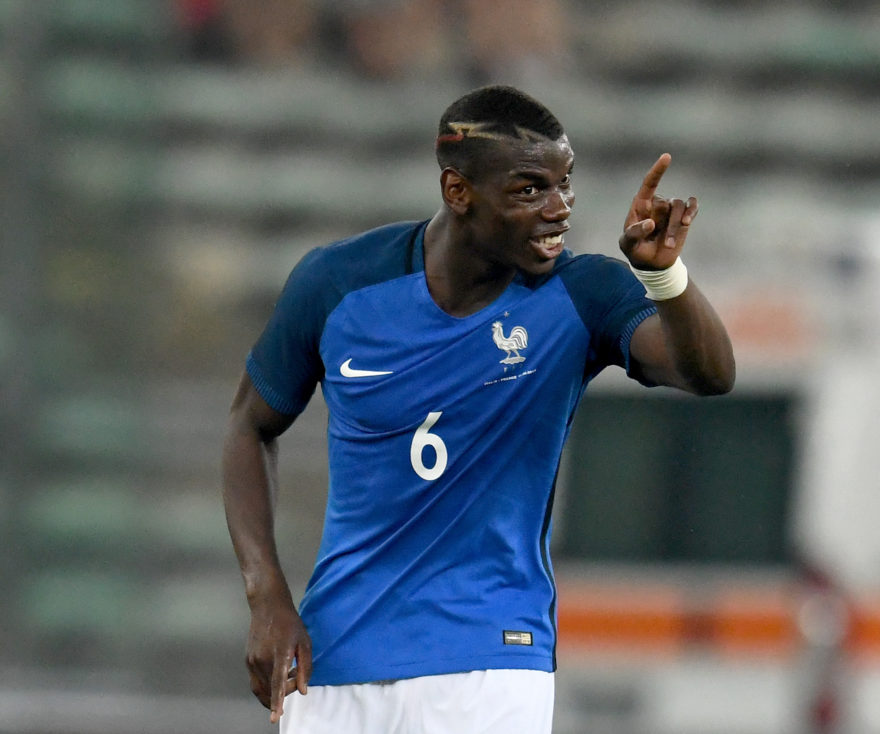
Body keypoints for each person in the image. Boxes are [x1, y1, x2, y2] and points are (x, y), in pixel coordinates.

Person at [222, 85, 735, 733]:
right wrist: (266, 596)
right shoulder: (339, 284)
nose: (559, 210)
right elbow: (249, 425)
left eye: (565, 185)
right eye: (529, 190)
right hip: (335, 661)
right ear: (458, 191)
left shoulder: (583, 293)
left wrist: (665, 277)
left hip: (491, 661)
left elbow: (710, 375)